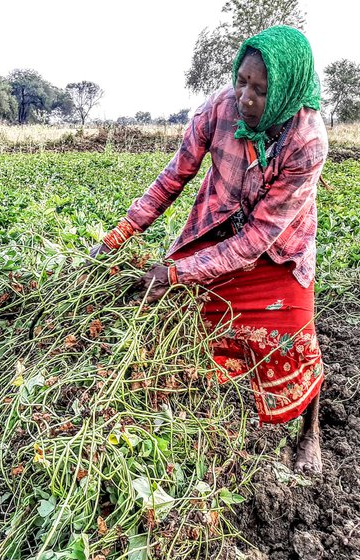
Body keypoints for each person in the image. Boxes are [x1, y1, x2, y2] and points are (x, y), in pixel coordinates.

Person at [91, 26, 328, 474]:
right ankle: (178, 411)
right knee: (169, 318)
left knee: (294, 333)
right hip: (217, 231)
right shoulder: (218, 110)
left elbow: (257, 241)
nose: (245, 96)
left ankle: (310, 432)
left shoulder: (307, 142)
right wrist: (116, 238)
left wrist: (176, 272)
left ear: (287, 90)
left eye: (261, 89)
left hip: (277, 249)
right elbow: (171, 180)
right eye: (241, 80)